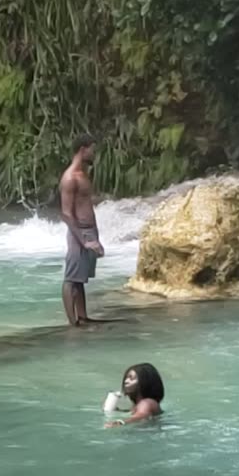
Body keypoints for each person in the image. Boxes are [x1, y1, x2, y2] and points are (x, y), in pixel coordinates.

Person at [59, 134, 104, 327]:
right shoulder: (70, 178)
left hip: (89, 230)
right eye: (92, 149)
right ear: (82, 150)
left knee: (80, 278)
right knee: (71, 278)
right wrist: (84, 241)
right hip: (80, 233)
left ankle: (83, 317)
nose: (94, 153)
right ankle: (72, 323)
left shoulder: (83, 174)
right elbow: (66, 214)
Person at [106, 363, 165, 427]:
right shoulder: (141, 405)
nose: (126, 381)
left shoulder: (147, 403)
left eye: (131, 378)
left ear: (144, 382)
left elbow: (141, 416)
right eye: (126, 378)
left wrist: (120, 422)